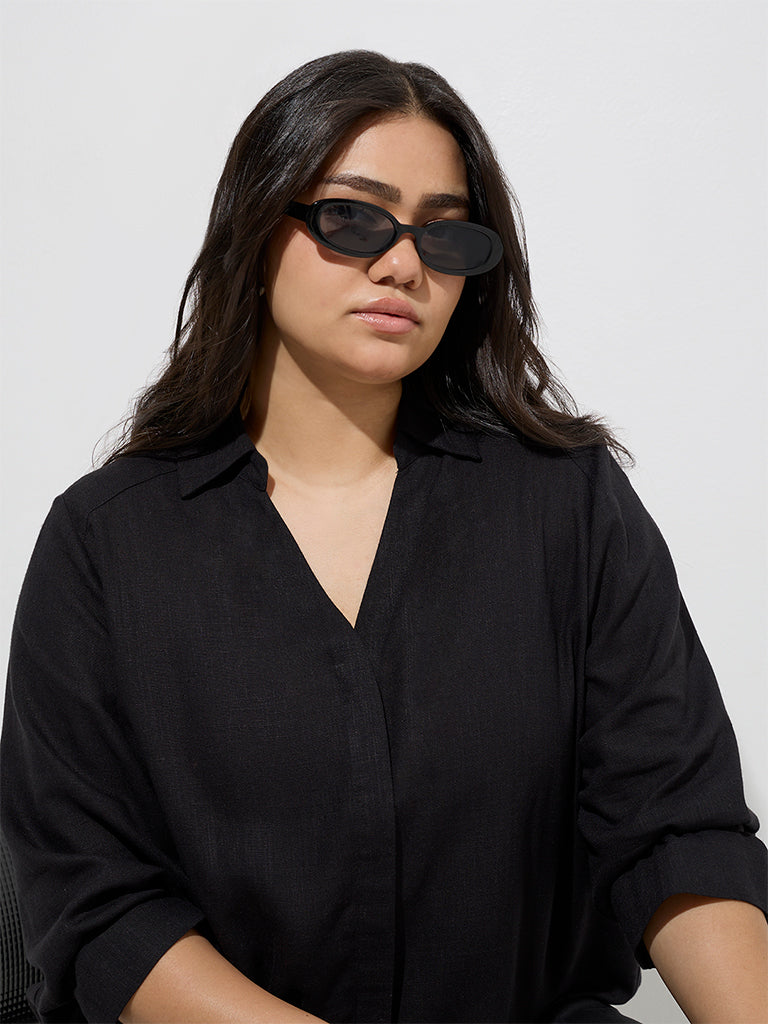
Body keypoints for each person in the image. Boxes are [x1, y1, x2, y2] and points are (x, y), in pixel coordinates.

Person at [1, 49, 766, 1024]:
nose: (403, 264)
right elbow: (99, 905)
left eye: (444, 236)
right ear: (256, 228)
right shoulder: (105, 545)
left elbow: (676, 829)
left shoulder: (567, 507)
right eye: (354, 218)